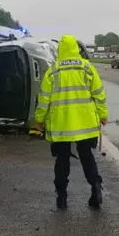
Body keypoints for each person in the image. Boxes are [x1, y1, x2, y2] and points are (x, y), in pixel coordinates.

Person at [35, 35, 108, 210]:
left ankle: (61, 196)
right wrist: (103, 114)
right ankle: (95, 187)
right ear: (76, 49)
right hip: (85, 124)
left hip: (61, 125)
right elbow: (98, 93)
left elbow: (43, 99)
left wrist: (39, 120)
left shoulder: (53, 71)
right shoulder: (87, 68)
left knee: (62, 159)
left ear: (60, 50)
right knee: (87, 156)